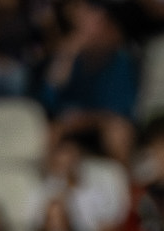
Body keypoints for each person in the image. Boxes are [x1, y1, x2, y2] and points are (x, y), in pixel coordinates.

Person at [44, 0, 142, 162]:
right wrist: (65, 58)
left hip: (104, 122)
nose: (89, 32)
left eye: (96, 24)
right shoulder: (69, 55)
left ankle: (124, 183)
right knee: (51, 131)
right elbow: (49, 99)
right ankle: (51, 184)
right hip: (73, 125)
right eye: (83, 26)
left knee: (119, 132)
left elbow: (123, 107)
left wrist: (88, 119)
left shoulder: (121, 59)